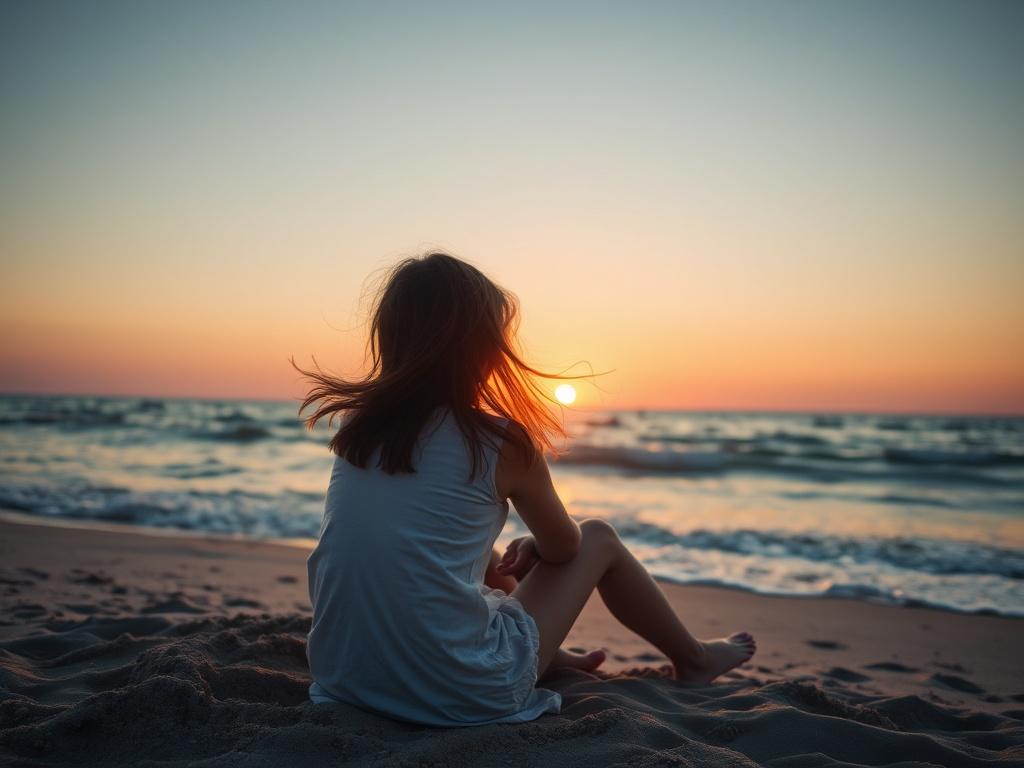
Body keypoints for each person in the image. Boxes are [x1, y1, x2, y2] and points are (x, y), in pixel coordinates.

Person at [296, 252, 756, 727]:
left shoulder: (360, 430)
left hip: (344, 678)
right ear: (486, 350)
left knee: (475, 555)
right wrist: (537, 545)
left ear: (389, 339)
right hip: (460, 691)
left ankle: (548, 654)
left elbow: (424, 540)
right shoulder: (497, 440)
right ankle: (695, 657)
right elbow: (567, 549)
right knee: (598, 536)